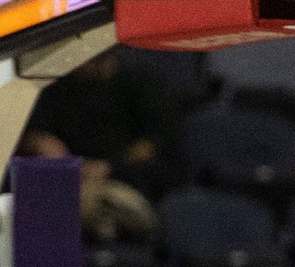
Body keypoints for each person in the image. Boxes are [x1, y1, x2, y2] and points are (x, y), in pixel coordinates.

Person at [22, 47, 181, 197]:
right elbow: (36, 134)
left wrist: (108, 167)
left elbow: (155, 142)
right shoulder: (57, 87)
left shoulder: (139, 81)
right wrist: (41, 143)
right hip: (71, 172)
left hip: (127, 176)